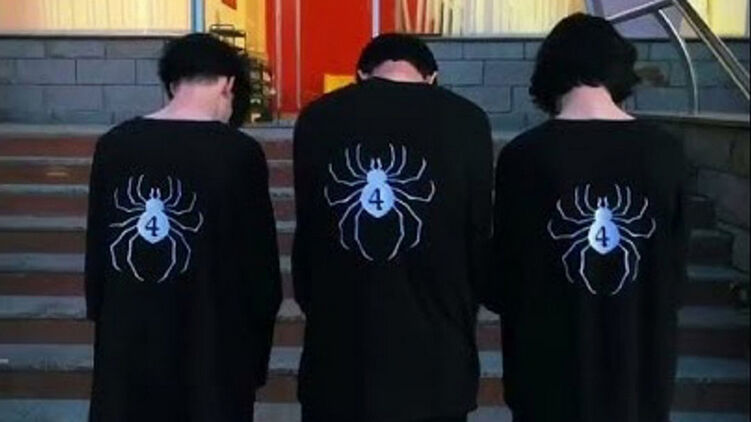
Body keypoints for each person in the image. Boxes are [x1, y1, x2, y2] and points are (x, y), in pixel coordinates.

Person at [487, 14, 687, 422]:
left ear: (549, 72)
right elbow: (673, 273)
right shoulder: (665, 152)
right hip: (637, 377)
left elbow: (504, 280)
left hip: (548, 379)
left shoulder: (524, 157)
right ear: (619, 67)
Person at [292, 33, 493, 422]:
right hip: (437, 358)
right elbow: (478, 234)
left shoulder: (318, 118)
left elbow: (309, 231)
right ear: (431, 76)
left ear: (360, 75)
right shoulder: (466, 120)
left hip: (340, 355)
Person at [85, 33, 281, 422]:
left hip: (131, 339)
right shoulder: (238, 153)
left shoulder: (115, 145)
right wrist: (255, 352)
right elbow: (259, 265)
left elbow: (99, 250)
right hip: (211, 342)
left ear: (172, 83)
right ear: (227, 84)